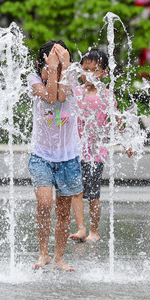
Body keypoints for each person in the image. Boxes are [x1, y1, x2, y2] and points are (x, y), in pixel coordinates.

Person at [27, 40, 82, 271]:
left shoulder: (71, 78)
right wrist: (52, 67)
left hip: (68, 158)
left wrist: (65, 65)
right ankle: (43, 253)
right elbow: (50, 98)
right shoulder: (34, 80)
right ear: (42, 66)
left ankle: (58, 257)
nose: (55, 72)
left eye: (59, 68)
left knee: (62, 211)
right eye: (49, 67)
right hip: (41, 156)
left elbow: (61, 96)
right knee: (44, 202)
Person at [69, 49, 132, 243]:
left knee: (93, 195)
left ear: (104, 73)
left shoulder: (106, 96)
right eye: (84, 69)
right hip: (74, 151)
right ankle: (81, 229)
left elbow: (116, 122)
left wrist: (127, 142)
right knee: (76, 191)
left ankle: (94, 231)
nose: (88, 74)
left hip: (95, 153)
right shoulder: (75, 92)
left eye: (93, 70)